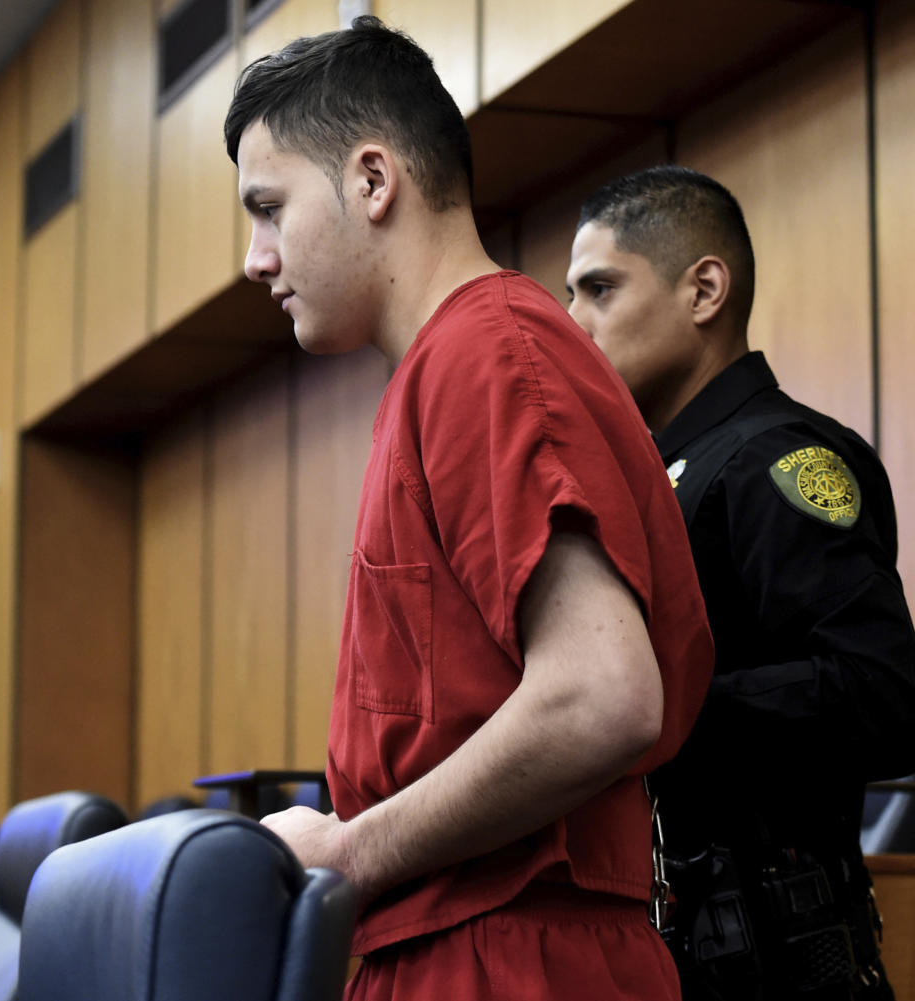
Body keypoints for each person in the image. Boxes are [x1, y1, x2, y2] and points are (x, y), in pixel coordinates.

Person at [224, 19, 714, 1001]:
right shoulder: (448, 365)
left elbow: (602, 695)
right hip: (464, 943)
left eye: (269, 208)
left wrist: (351, 850)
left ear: (372, 181)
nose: (255, 258)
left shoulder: (485, 351)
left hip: (513, 957)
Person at [566, 164, 915, 1001]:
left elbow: (882, 694)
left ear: (705, 290)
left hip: (783, 956)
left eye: (599, 289)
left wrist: (652, 704)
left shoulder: (775, 459)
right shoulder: (661, 475)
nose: (573, 323)